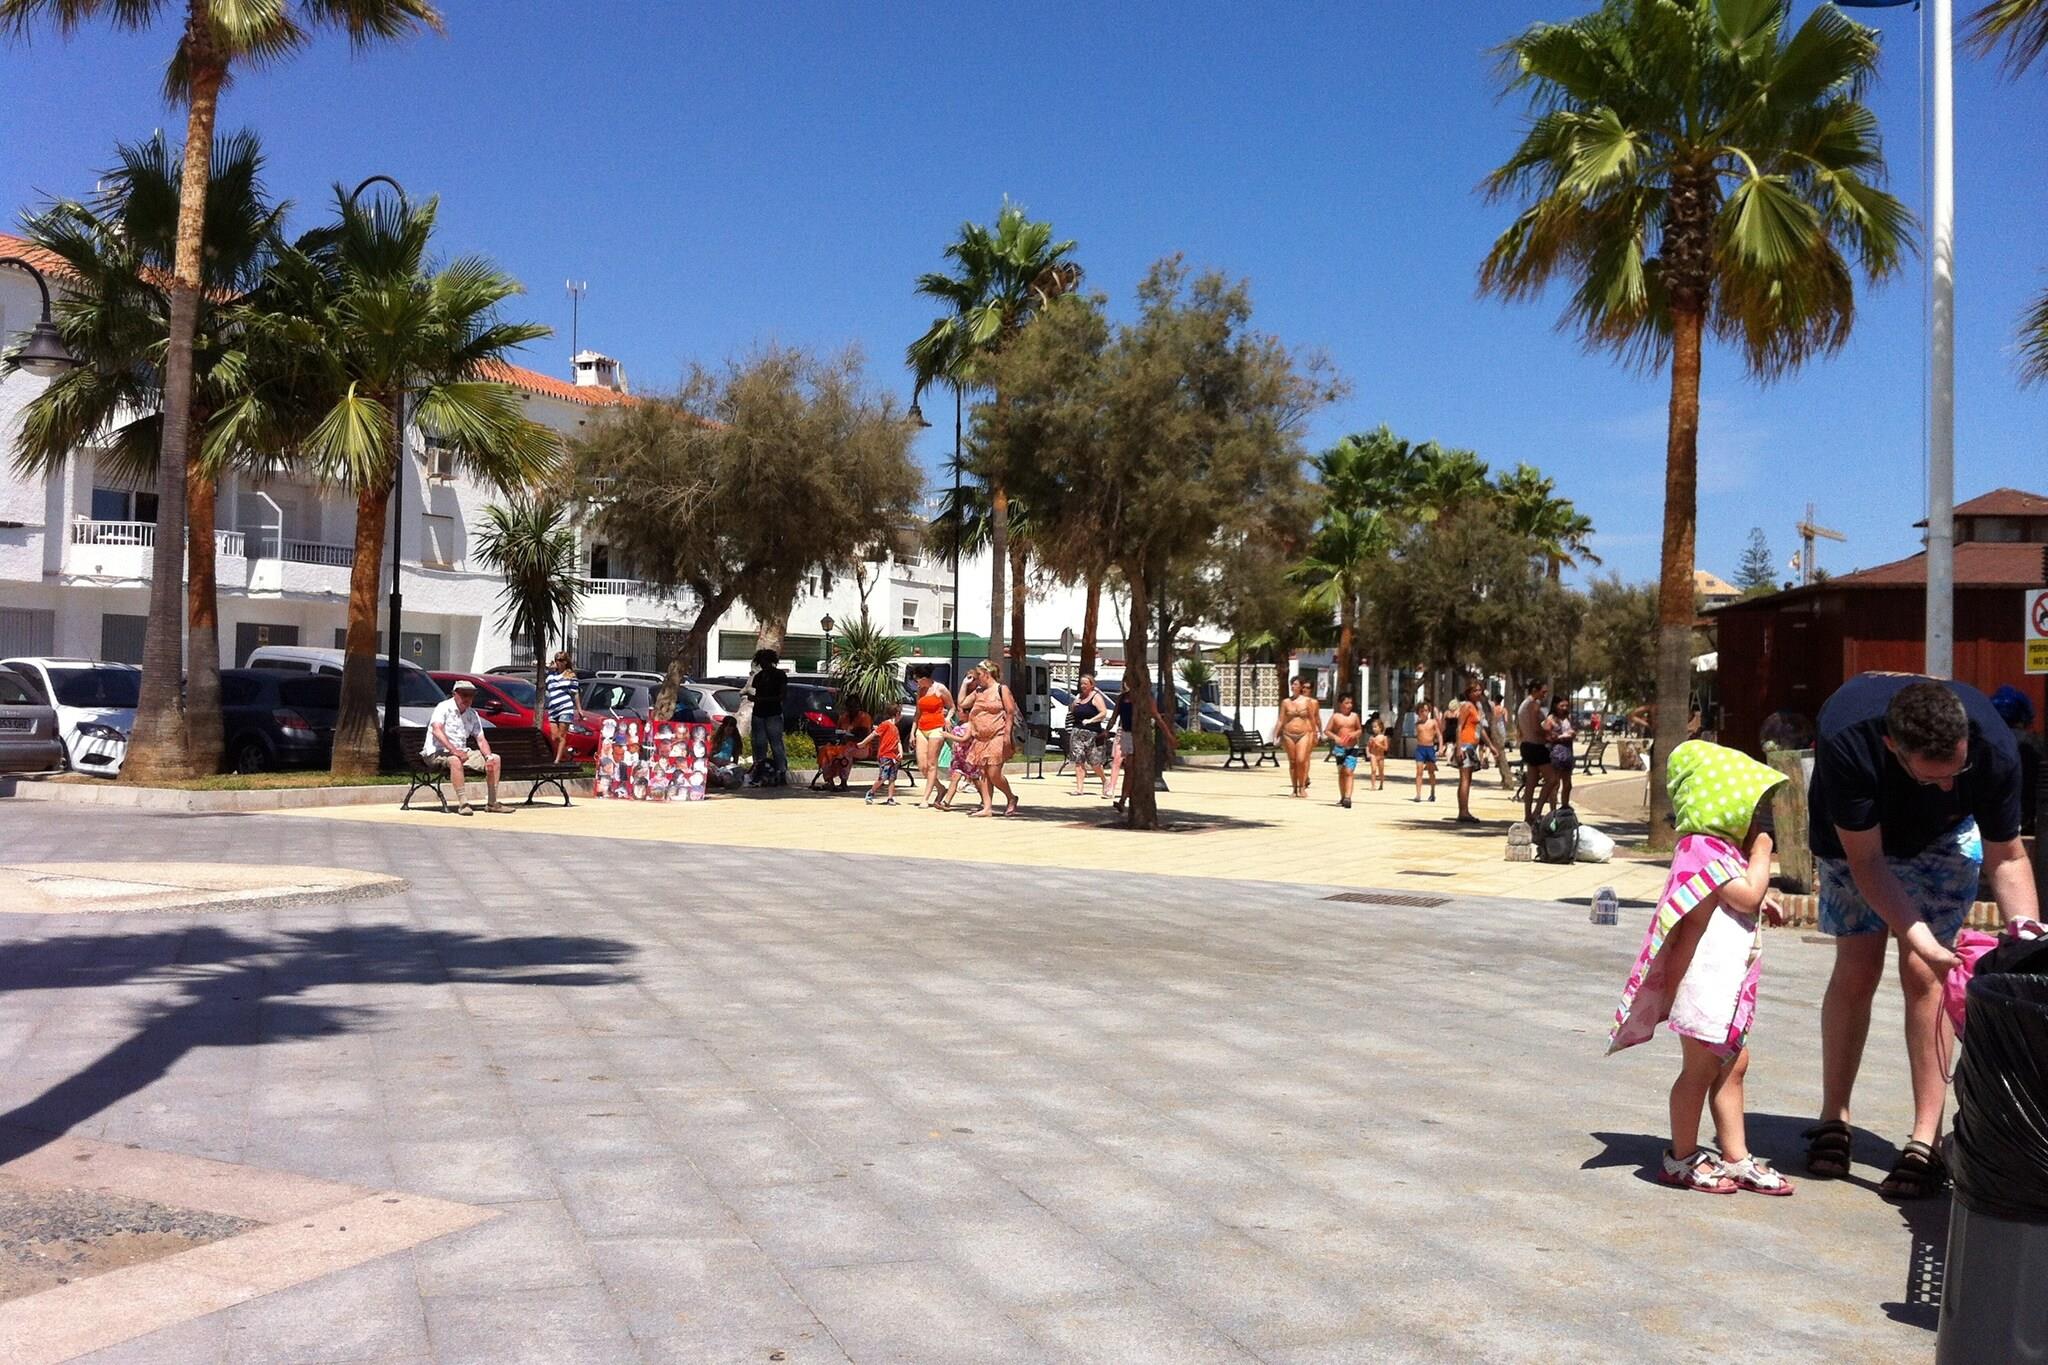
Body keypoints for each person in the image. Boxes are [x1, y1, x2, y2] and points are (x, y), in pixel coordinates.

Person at [1802, 675, 2040, 1199]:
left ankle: (1924, 1141)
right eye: (1934, 778)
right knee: (1858, 966)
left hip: (1942, 841)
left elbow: (2007, 856)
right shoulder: (1849, 740)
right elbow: (1867, 863)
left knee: (1925, 973)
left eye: (1958, 771)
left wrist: (2027, 941)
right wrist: (1919, 934)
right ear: (1893, 747)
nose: (1950, 787)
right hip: (1856, 844)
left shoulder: (1994, 746)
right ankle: (1834, 1117)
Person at [1609, 742, 1794, 1195]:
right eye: (1751, 809)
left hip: (1724, 986)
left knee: (1732, 1065)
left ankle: (1736, 1156)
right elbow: (1744, 894)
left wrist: (1760, 896)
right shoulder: (1701, 848)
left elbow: (1732, 898)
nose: (1757, 821)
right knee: (1700, 1070)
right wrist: (1763, 852)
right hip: (1702, 986)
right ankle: (1681, 1157)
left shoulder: (1718, 851)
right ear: (1723, 805)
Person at [424, 679, 507, 816]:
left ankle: (492, 803)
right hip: (437, 752)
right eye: (464, 694)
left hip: (462, 752)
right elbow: (436, 730)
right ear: (454, 694)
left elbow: (480, 739)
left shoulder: (472, 714)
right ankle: (463, 804)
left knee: (495, 759)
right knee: (455, 760)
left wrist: (488, 757)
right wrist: (454, 751)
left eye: (471, 695)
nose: (467, 698)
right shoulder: (443, 707)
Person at [962, 659, 1023, 817]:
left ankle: (1011, 797)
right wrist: (964, 684)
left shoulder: (1001, 689)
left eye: (979, 674)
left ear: (987, 674)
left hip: (998, 734)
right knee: (983, 772)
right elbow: (962, 703)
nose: (977, 678)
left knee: (994, 773)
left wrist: (1007, 735)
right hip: (980, 738)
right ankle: (987, 807)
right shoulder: (978, 691)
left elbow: (1010, 712)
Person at [1452, 679, 1503, 824]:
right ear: (1469, 692)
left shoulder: (1477, 707)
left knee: (1467, 779)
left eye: (1480, 690)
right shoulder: (1467, 706)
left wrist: (1491, 746)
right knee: (1464, 779)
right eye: (1475, 690)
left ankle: (1464, 810)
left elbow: (1480, 730)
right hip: (1465, 745)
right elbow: (1459, 727)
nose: (1478, 693)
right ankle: (1463, 812)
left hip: (1472, 746)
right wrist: (1459, 747)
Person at [909, 666, 956, 808]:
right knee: (922, 765)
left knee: (931, 764)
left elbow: (952, 707)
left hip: (936, 728)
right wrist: (912, 732)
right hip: (922, 728)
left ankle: (925, 798)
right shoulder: (920, 690)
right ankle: (940, 788)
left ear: (924, 678)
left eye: (917, 679)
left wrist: (947, 718)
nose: (916, 682)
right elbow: (918, 712)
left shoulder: (940, 688)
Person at [1065, 674, 1115, 798]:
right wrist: (1074, 705)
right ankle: (1079, 788)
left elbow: (1103, 713)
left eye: (1085, 684)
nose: (1083, 686)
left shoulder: (1096, 697)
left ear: (1091, 685)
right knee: (1078, 760)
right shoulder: (1079, 697)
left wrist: (1091, 720)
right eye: (1081, 683)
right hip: (1077, 732)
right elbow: (1072, 711)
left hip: (1092, 733)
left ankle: (1104, 780)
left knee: (1095, 763)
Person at [744, 648, 787, 787]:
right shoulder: (758, 677)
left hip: (773, 713)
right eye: (761, 662)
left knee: (776, 744)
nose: (763, 664)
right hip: (759, 713)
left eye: (765, 661)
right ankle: (760, 771)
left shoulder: (779, 675)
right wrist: (754, 698)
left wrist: (762, 699)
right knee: (759, 744)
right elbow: (756, 693)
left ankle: (781, 771)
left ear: (771, 661)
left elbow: (782, 696)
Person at [1274, 677, 1321, 799]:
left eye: (1295, 684)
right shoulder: (1285, 702)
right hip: (1288, 734)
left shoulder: (1308, 701)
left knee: (1301, 760)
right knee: (1293, 761)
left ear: (1300, 686)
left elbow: (1312, 718)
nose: (1293, 686)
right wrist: (1276, 734)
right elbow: (1281, 720)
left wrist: (1315, 733)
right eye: (1292, 684)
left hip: (1303, 733)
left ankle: (1302, 787)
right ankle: (1295, 789)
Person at [1516, 679, 1552, 824]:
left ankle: (1528, 815)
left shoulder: (1523, 705)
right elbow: (1536, 728)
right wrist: (1548, 734)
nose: (1545, 695)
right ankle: (1537, 811)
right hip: (1536, 746)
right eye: (1543, 692)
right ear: (1534, 690)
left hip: (1527, 745)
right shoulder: (1533, 705)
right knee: (1552, 779)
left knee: (1531, 781)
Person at [543, 651, 585, 764]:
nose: (558, 662)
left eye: (561, 660)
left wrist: (579, 710)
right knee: (554, 737)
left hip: (565, 708)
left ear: (566, 662)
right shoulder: (551, 676)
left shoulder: (570, 675)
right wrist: (549, 669)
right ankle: (568, 756)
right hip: (553, 708)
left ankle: (557, 761)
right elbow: (546, 686)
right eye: (556, 660)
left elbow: (575, 693)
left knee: (561, 735)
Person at [1539, 695, 1577, 817]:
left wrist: (1571, 734)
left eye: (1566, 706)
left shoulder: (1568, 718)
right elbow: (1546, 736)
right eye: (1562, 706)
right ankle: (1553, 810)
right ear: (1556, 706)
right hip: (1556, 754)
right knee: (1555, 783)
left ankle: (1565, 806)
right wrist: (1559, 737)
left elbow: (1574, 731)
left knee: (1567, 783)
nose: (1564, 708)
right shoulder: (1551, 719)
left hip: (1568, 753)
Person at [1324, 694, 1364, 809]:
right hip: (1340, 748)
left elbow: (1359, 730)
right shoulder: (1336, 717)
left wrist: (1354, 734)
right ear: (1340, 704)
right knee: (1341, 772)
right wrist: (1335, 737)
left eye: (1351, 703)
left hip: (1352, 747)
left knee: (1349, 771)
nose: (1349, 705)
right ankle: (1342, 796)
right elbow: (1327, 731)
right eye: (1346, 703)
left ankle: (1348, 797)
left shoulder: (1354, 716)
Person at [864, 712, 903, 805]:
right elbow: (874, 734)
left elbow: (898, 742)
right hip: (885, 755)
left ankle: (890, 798)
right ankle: (871, 793)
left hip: (894, 757)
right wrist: (863, 743)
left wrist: (900, 752)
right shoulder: (885, 724)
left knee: (892, 778)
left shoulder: (896, 728)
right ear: (897, 714)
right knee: (883, 777)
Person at [1412, 701, 1441, 803]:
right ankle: (1418, 794)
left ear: (1429, 711)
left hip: (1430, 749)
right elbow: (1417, 735)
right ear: (1418, 712)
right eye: (1421, 711)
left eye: (1426, 710)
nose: (1424, 713)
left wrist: (1440, 748)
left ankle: (1432, 792)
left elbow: (1439, 735)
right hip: (1420, 749)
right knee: (1419, 771)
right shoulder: (1417, 724)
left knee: (1431, 772)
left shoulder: (1433, 722)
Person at [1489, 691, 1515, 791]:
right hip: (1501, 727)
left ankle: (1497, 761)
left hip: (1494, 726)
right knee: (1501, 746)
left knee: (1496, 747)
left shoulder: (1493, 709)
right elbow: (1506, 720)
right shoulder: (1503, 709)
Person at [1367, 715, 1389, 792]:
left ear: (1380, 727)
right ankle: (1373, 785)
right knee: (1373, 770)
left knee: (1381, 771)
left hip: (1381, 756)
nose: (1374, 729)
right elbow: (1368, 746)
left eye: (1375, 727)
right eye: (1373, 727)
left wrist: (1378, 744)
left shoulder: (1384, 737)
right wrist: (1368, 753)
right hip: (1373, 755)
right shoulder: (1371, 737)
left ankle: (1381, 784)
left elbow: (1386, 748)